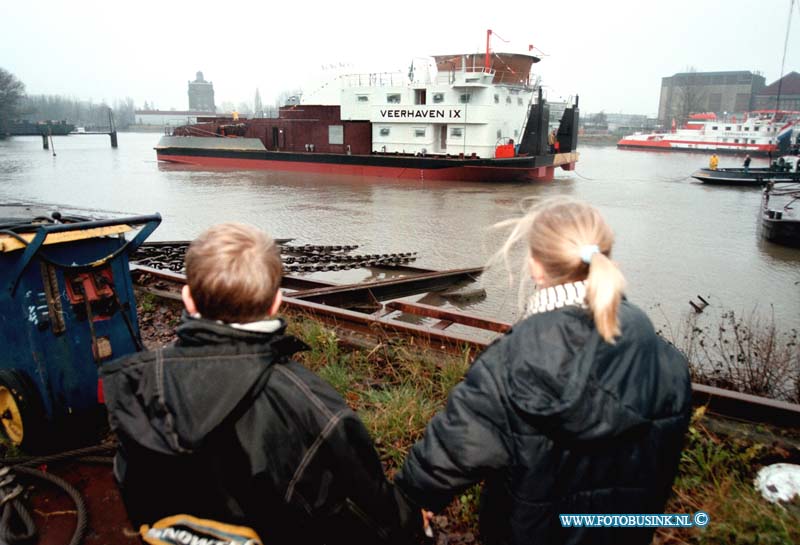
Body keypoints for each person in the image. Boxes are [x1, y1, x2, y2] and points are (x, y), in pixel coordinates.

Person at [395, 198, 692, 545]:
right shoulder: (666, 360)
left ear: (536, 267)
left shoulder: (511, 361)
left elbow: (450, 454)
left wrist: (409, 500)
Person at [101, 223, 418, 545]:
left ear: (188, 298)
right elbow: (374, 512)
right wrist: (415, 521)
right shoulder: (315, 407)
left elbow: (134, 487)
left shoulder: (134, 386)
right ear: (276, 302)